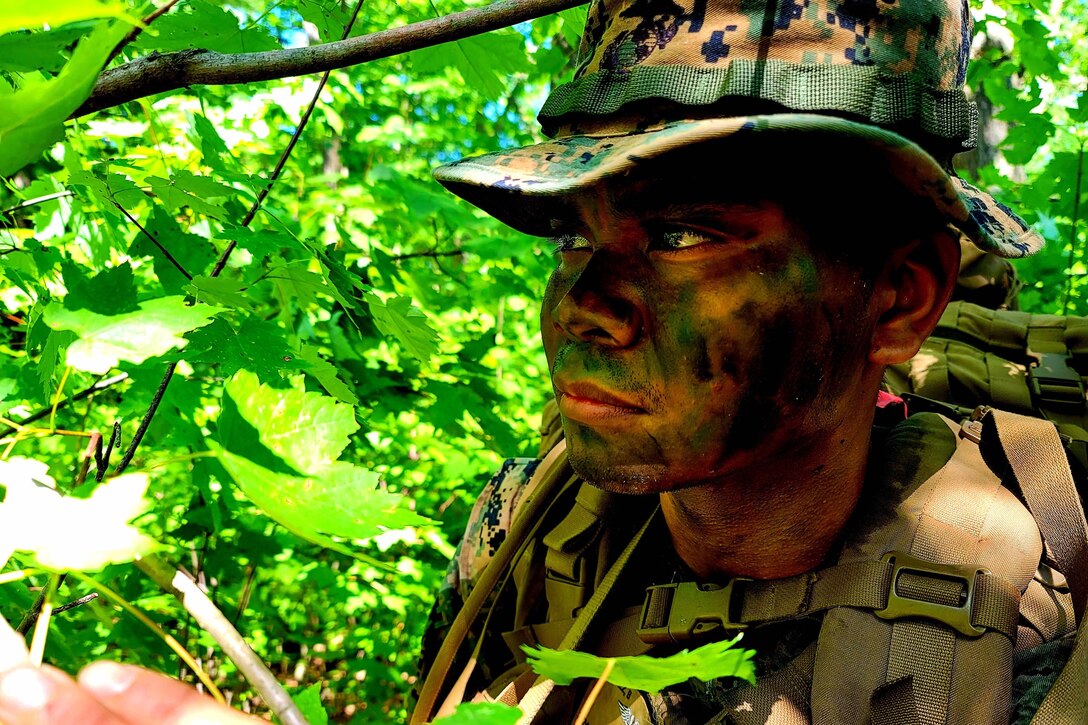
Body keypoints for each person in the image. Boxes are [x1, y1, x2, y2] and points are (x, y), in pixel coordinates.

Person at [1, 0, 1082, 723]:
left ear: (897, 297)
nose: (584, 305)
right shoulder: (533, 523)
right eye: (572, 234)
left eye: (681, 235)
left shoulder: (1047, 573)